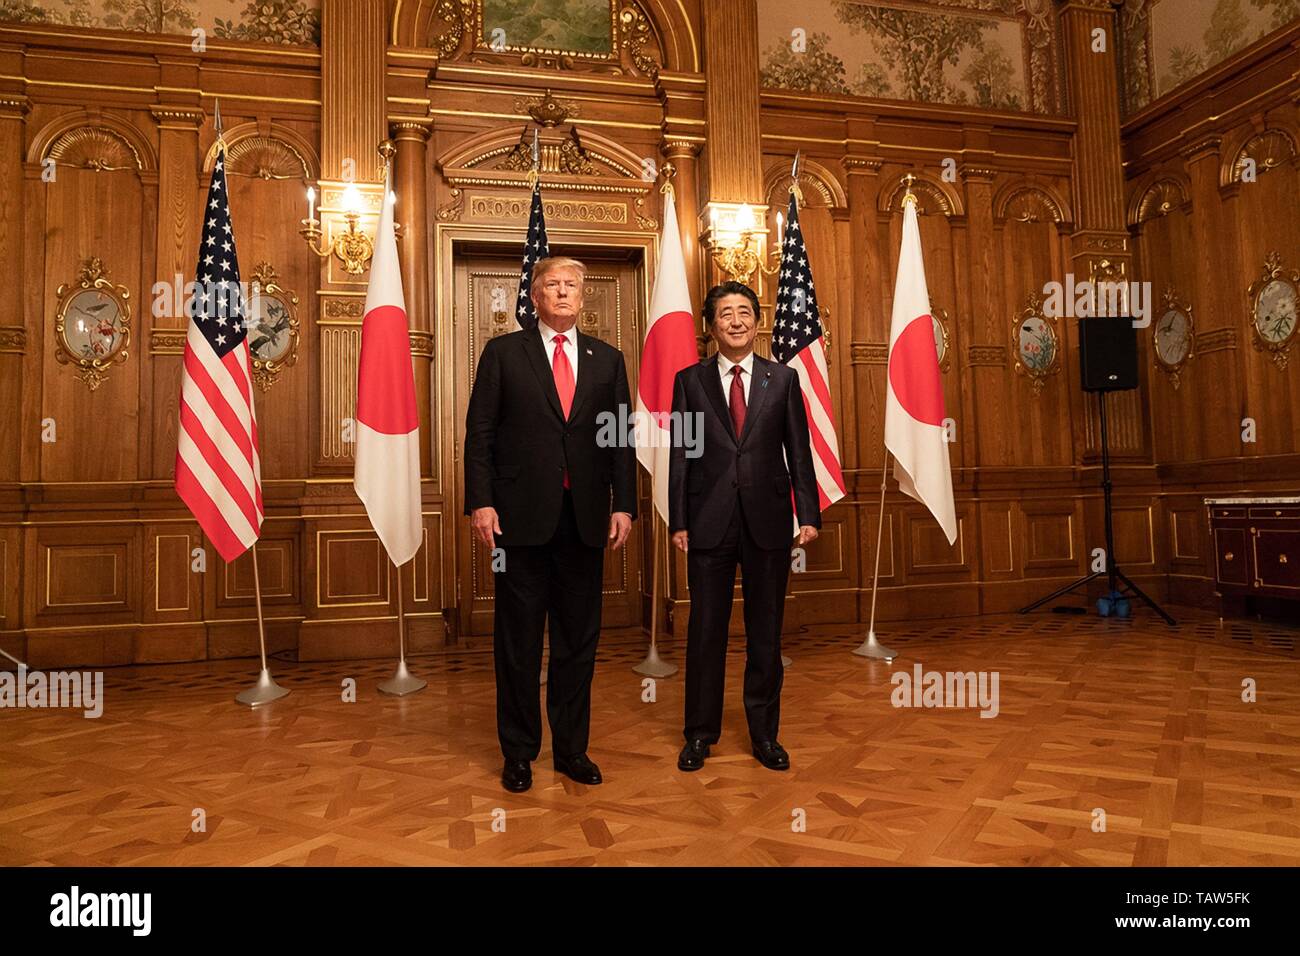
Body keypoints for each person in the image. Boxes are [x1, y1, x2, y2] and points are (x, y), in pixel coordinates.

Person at [464, 256, 636, 793]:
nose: (563, 294)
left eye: (572, 286)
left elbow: (619, 440)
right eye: (553, 286)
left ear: (584, 298)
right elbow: (480, 436)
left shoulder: (607, 360)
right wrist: (481, 503)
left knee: (576, 641)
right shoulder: (502, 353)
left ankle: (571, 750)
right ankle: (518, 752)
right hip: (517, 523)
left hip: (584, 521)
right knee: (517, 642)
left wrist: (624, 504)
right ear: (534, 296)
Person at [668, 281, 820, 773]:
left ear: (758, 320)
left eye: (744, 312)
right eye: (725, 313)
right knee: (705, 632)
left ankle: (764, 735)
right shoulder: (689, 381)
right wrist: (680, 520)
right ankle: (699, 735)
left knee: (765, 635)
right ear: (710, 326)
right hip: (707, 524)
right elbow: (681, 455)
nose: (736, 320)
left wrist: (809, 514)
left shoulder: (783, 380)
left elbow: (799, 451)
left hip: (769, 522)